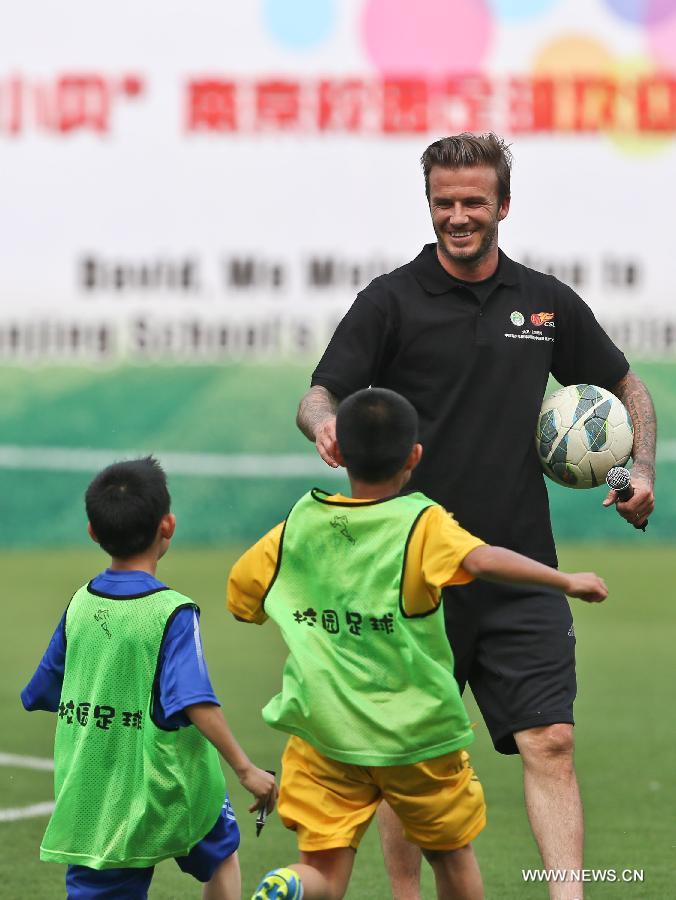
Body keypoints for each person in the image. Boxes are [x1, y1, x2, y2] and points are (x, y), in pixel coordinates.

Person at [296, 134, 656, 900]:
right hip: (409, 573)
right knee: (410, 759)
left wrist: (636, 472)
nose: (458, 217)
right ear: (430, 203)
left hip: (519, 562)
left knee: (551, 739)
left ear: (504, 205)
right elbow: (319, 392)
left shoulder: (545, 302)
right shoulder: (389, 301)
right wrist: (325, 423)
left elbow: (627, 391)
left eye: (473, 202)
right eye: (444, 203)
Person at [228, 388, 608, 900]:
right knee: (452, 858)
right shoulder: (421, 524)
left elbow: (242, 598)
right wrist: (565, 582)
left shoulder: (298, 525)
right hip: (416, 739)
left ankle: (288, 884)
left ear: (338, 451)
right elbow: (484, 560)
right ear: (414, 457)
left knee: (323, 872)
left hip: (324, 737)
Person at [21, 456, 277, 900]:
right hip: (171, 787)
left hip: (96, 795)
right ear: (168, 525)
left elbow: (42, 691)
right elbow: (195, 699)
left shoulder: (80, 604)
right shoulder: (173, 612)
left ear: (93, 533)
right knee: (219, 855)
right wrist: (246, 769)